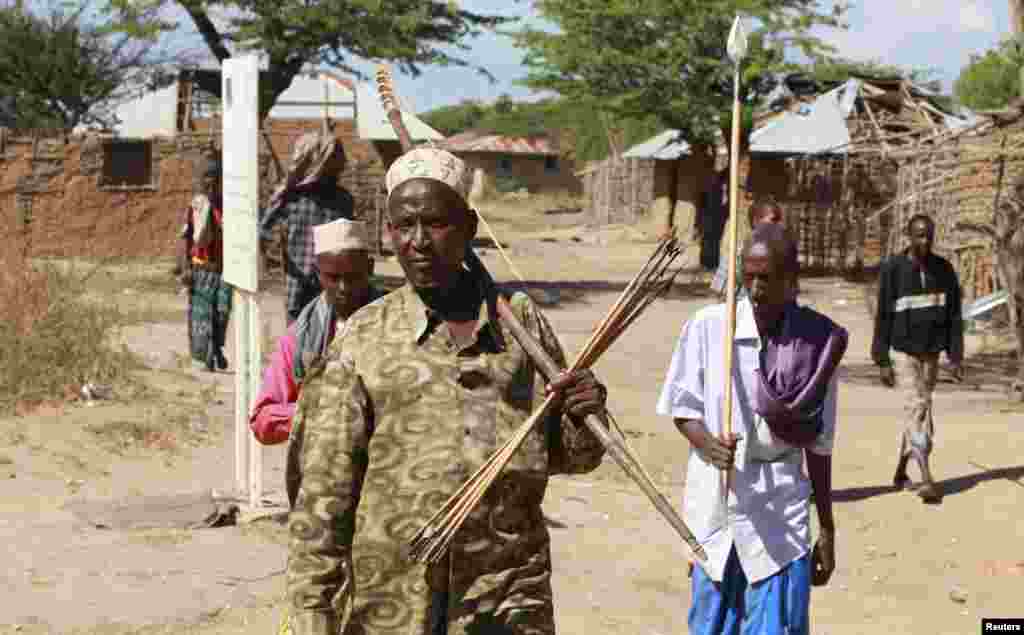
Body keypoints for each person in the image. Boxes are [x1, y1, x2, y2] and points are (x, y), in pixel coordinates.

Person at [284, 146, 609, 635]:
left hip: (507, 594)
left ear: (469, 228)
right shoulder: (363, 338)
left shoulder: (518, 324)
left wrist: (586, 412)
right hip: (394, 596)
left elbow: (570, 456)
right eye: (402, 227)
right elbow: (324, 486)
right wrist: (313, 602)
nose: (418, 242)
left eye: (435, 223)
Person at [657, 223, 846, 635]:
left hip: (781, 503)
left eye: (769, 278)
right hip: (717, 497)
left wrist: (827, 527)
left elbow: (820, 444)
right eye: (750, 275)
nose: (757, 288)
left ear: (791, 281)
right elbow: (682, 407)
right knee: (712, 624)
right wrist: (707, 443)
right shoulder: (710, 327)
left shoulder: (817, 343)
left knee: (779, 625)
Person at [249, 218, 388, 509]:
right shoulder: (300, 339)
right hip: (323, 486)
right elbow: (263, 420)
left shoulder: (400, 324)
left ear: (370, 269)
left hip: (386, 482)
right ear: (317, 273)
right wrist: (324, 411)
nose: (343, 287)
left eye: (353, 277)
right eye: (332, 277)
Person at [871, 213, 964, 504]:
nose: (925, 241)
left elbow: (953, 316)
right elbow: (883, 316)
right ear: (908, 236)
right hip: (903, 351)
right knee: (918, 406)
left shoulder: (944, 270)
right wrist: (882, 359)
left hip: (931, 353)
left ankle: (901, 470)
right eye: (919, 235)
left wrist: (955, 355)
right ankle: (926, 477)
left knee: (919, 410)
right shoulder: (893, 270)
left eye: (929, 236)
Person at [259, 131, 355, 324]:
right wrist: (278, 256)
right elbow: (262, 231)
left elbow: (351, 242)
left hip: (334, 287)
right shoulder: (289, 198)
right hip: (299, 286)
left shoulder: (344, 200)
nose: (342, 166)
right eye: (336, 160)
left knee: (331, 341)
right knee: (296, 341)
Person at [178, 155, 232, 372]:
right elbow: (187, 237)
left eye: (215, 178)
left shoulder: (229, 208)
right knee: (202, 315)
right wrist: (185, 267)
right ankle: (206, 355)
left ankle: (217, 348)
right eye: (206, 178)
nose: (210, 183)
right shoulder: (196, 207)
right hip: (201, 269)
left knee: (221, 313)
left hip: (224, 271)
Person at [710, 200, 788, 300]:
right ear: (756, 222)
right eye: (774, 220)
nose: (779, 225)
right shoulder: (735, 258)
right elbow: (723, 302)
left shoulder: (783, 257)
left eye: (779, 220)